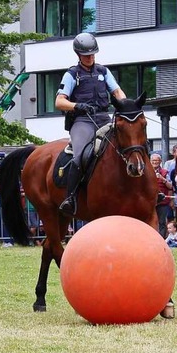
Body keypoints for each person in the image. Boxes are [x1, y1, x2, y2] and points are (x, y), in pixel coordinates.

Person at [55, 33, 127, 216]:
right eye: (87, 55)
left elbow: (117, 91)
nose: (91, 57)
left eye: (93, 54)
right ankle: (70, 198)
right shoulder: (71, 74)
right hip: (83, 121)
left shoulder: (103, 71)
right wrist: (76, 105)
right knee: (79, 156)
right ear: (79, 55)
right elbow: (59, 101)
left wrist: (126, 105)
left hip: (103, 118)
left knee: (130, 144)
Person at [152, 153, 173, 239]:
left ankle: (161, 240)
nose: (155, 162)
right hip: (150, 202)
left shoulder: (165, 172)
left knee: (162, 222)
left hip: (162, 202)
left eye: (157, 160)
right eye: (153, 160)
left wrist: (162, 178)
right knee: (151, 221)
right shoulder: (146, 172)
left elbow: (171, 186)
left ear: (160, 161)